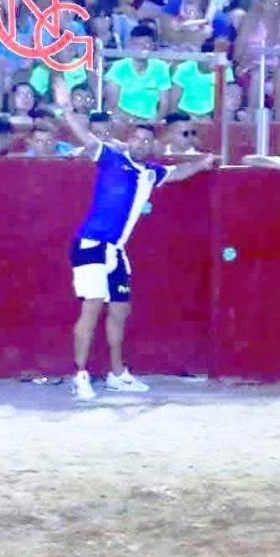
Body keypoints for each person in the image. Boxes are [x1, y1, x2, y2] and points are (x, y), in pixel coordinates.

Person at [50, 76, 217, 401]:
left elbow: (179, 173)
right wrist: (66, 107)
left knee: (120, 310)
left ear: (153, 146)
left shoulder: (152, 172)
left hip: (116, 250)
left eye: (147, 142)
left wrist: (203, 162)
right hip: (92, 245)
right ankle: (80, 375)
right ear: (128, 141)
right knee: (92, 308)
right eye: (137, 140)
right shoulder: (111, 157)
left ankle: (116, 374)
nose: (142, 145)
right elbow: (83, 135)